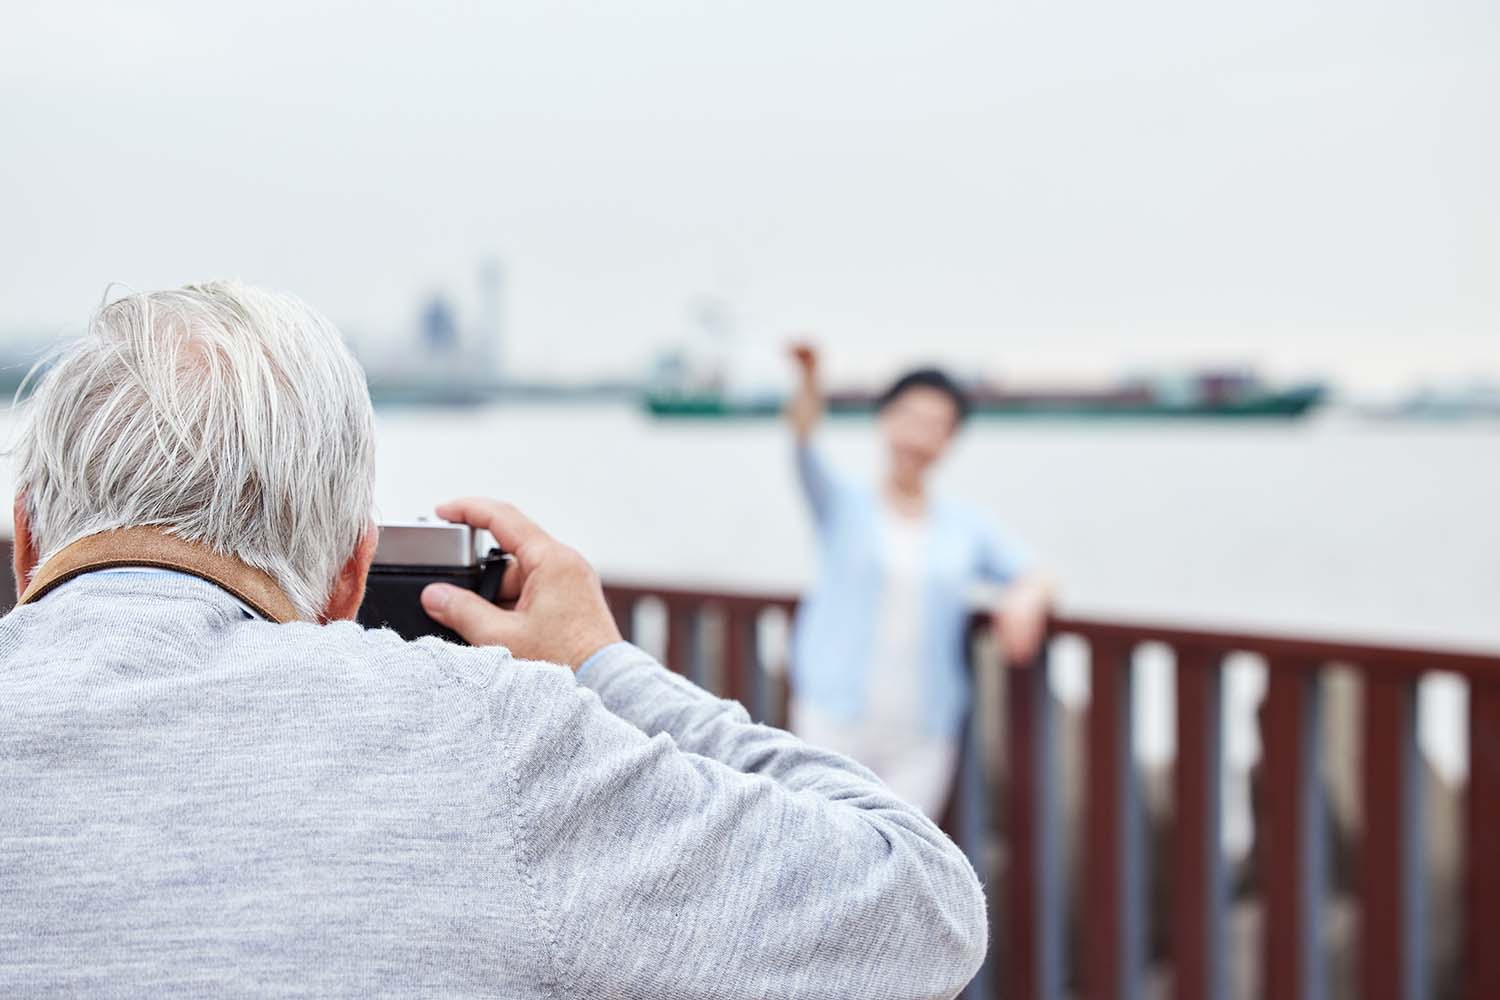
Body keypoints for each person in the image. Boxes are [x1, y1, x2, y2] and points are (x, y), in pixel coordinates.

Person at [0, 283, 986, 998]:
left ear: (30, 540)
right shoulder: (477, 738)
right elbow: (923, 909)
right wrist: (601, 667)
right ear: (351, 574)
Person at [786, 343, 1054, 820]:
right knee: (819, 853)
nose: (919, 436)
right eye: (910, 418)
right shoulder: (843, 505)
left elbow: (1033, 572)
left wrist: (1026, 598)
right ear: (884, 420)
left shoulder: (964, 527)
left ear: (951, 440)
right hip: (831, 718)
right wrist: (810, 381)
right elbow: (803, 441)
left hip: (923, 732)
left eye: (937, 426)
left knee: (903, 868)